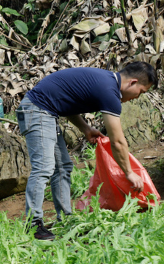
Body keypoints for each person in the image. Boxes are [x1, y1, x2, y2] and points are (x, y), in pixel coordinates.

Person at [17, 62, 157, 240]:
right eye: (141, 92)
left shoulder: (104, 82)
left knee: (62, 167)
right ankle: (33, 223)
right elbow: (118, 141)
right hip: (37, 110)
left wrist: (86, 129)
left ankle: (65, 218)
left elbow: (66, 101)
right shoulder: (109, 91)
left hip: (45, 111)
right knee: (44, 167)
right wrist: (129, 172)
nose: (137, 97)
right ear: (132, 82)